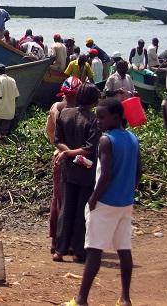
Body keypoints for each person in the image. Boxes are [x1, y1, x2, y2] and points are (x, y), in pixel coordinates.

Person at [62, 98, 142, 306]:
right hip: (125, 203)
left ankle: (81, 300)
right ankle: (125, 298)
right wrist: (127, 192)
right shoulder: (133, 138)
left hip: (105, 202)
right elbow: (138, 172)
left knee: (94, 251)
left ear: (116, 117)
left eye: (102, 117)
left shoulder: (106, 140)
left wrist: (93, 199)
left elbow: (105, 175)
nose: (98, 120)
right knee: (124, 250)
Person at [53, 83, 101, 264]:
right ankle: (78, 251)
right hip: (87, 171)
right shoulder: (94, 120)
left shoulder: (64, 114)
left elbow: (58, 140)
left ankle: (59, 250)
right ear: (94, 101)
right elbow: (89, 148)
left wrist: (67, 152)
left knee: (66, 208)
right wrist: (74, 153)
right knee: (83, 210)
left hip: (69, 169)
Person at [45, 76, 82, 254]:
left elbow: (49, 131)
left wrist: (57, 146)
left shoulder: (56, 107)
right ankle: (73, 242)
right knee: (76, 199)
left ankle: (56, 242)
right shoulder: (82, 111)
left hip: (59, 156)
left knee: (58, 199)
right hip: (79, 158)